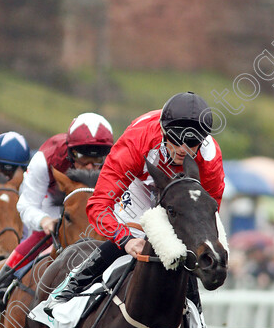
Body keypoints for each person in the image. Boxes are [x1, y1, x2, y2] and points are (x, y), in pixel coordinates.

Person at [46, 92, 224, 313]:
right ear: (163, 132)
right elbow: (98, 205)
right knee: (135, 236)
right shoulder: (137, 140)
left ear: (203, 140)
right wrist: (125, 239)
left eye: (191, 143)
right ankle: (71, 286)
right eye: (176, 140)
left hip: (182, 191)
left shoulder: (210, 159)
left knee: (184, 241)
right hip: (141, 182)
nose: (182, 149)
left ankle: (195, 314)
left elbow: (208, 212)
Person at [0, 113, 114, 318]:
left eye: (97, 160)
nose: (90, 167)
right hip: (51, 204)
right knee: (41, 237)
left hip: (94, 206)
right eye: (83, 158)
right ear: (70, 153)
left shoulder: (116, 161)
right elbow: (26, 204)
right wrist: (44, 221)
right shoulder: (45, 158)